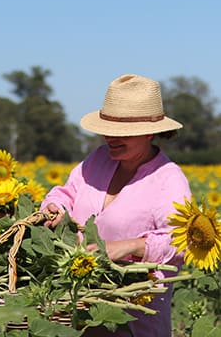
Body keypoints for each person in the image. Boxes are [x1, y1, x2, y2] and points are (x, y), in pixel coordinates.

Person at [42, 74, 191, 337]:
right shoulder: (98, 159)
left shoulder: (168, 179)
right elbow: (67, 192)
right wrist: (55, 206)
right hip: (75, 311)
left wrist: (133, 245)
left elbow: (182, 242)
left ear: (149, 133)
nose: (110, 138)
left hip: (132, 319)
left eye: (123, 133)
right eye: (107, 130)